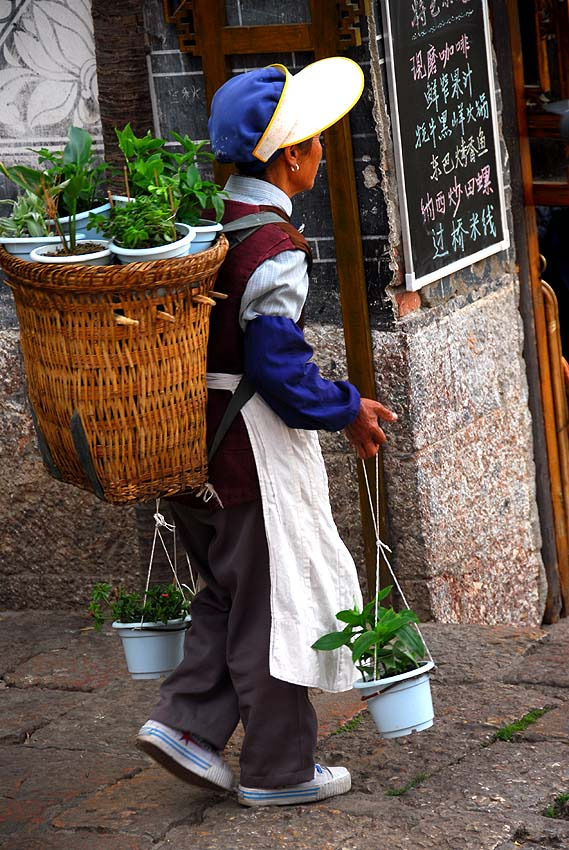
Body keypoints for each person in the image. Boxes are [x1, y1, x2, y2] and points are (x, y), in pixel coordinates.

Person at [137, 57, 397, 807]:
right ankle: (280, 770)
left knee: (228, 590)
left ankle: (185, 725)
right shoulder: (273, 248)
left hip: (184, 440)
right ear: (290, 156)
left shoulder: (203, 224)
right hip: (244, 451)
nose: (323, 151)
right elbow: (278, 367)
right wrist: (346, 407)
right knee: (276, 602)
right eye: (316, 140)